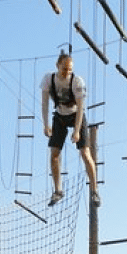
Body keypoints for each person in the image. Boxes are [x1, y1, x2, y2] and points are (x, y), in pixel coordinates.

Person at [41, 52, 100, 207]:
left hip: (76, 116)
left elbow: (81, 107)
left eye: (69, 69)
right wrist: (46, 124)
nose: (67, 72)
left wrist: (77, 130)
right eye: (64, 69)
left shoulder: (77, 81)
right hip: (59, 116)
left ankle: (94, 190)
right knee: (54, 154)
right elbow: (45, 103)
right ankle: (58, 190)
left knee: (85, 154)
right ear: (57, 65)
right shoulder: (48, 79)